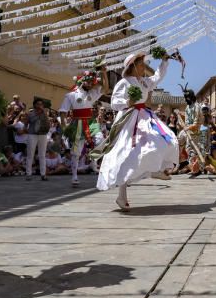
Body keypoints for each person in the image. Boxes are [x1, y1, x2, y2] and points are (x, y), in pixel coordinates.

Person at [96, 51, 178, 210]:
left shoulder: (144, 82)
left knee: (165, 138)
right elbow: (115, 103)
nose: (143, 67)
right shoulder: (124, 82)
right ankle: (122, 196)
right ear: (131, 66)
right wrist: (129, 101)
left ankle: (156, 169)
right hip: (128, 119)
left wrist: (164, 61)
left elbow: (157, 77)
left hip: (144, 116)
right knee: (126, 154)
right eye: (140, 65)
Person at [60, 69, 106, 187]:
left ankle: (93, 162)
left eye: (92, 82)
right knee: (76, 151)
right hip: (77, 122)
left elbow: (106, 88)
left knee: (101, 140)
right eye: (88, 82)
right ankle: (74, 176)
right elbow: (63, 112)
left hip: (90, 122)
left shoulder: (92, 93)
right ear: (82, 81)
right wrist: (64, 127)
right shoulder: (71, 95)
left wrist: (104, 72)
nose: (91, 84)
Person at [25, 98, 51, 181]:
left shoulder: (45, 113)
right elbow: (26, 123)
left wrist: (44, 113)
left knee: (42, 155)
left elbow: (47, 123)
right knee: (30, 154)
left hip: (43, 135)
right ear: (34, 105)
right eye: (38, 104)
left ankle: (43, 174)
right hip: (32, 134)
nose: (40, 106)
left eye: (41, 104)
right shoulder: (30, 114)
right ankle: (28, 174)